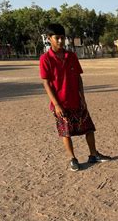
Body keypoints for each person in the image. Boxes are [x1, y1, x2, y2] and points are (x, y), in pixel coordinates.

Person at [39, 23, 111, 171]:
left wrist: (82, 98)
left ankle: (93, 154)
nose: (60, 41)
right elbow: (46, 83)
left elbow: (78, 78)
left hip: (77, 101)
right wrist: (57, 105)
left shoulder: (71, 56)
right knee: (66, 132)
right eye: (57, 38)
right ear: (49, 38)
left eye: (63, 38)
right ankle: (72, 158)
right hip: (61, 103)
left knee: (89, 128)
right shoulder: (45, 59)